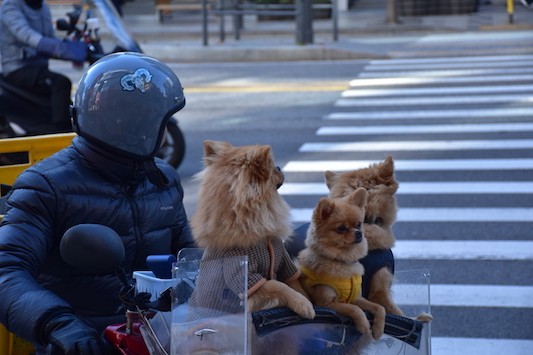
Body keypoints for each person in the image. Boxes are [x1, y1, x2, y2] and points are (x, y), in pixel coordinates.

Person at [0, 52, 196, 354]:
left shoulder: (162, 180)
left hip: (162, 339)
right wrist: (58, 323)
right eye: (163, 121)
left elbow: (191, 259)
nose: (167, 132)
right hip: (86, 343)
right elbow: (7, 270)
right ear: (136, 126)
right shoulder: (46, 186)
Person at [0, 0, 87, 133]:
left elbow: (49, 39)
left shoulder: (42, 7)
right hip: (17, 69)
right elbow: (25, 35)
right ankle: (60, 134)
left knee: (70, 107)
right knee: (62, 83)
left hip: (39, 70)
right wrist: (64, 49)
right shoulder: (11, 5)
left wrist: (75, 49)